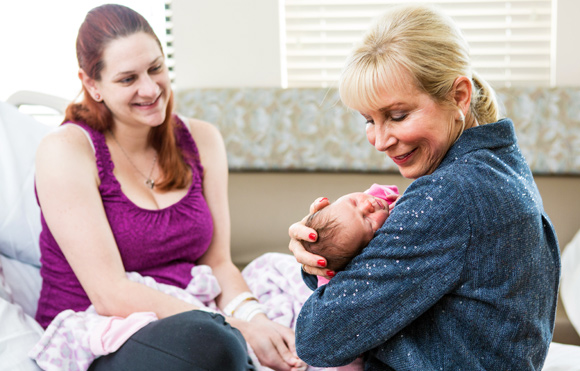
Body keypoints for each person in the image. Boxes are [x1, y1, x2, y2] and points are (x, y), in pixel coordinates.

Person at [288, 4, 560, 370]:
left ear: (459, 96)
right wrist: (322, 255)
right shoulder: (500, 162)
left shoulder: (451, 194)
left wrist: (325, 262)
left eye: (397, 116)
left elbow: (317, 338)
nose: (380, 140)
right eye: (369, 119)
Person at [34, 4, 305, 371]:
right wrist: (235, 328)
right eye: (128, 79)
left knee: (312, 302)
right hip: (105, 329)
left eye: (156, 68)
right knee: (213, 345)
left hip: (195, 310)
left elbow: (218, 262)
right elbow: (109, 294)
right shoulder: (66, 150)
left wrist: (256, 321)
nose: (149, 89)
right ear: (91, 84)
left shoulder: (202, 139)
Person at [302, 184, 399, 273]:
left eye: (354, 202)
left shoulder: (378, 195)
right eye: (368, 221)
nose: (367, 205)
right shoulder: (393, 237)